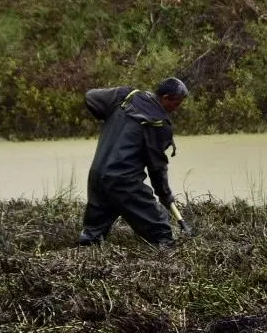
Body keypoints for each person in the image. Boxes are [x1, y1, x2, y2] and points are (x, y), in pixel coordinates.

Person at [77, 78, 189, 247]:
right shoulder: (159, 124)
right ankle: (166, 255)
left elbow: (91, 97)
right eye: (177, 103)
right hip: (124, 182)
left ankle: (87, 247)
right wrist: (165, 196)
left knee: (92, 233)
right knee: (161, 231)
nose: (177, 108)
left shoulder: (127, 96)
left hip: (98, 176)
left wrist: (111, 113)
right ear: (166, 98)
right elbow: (157, 168)